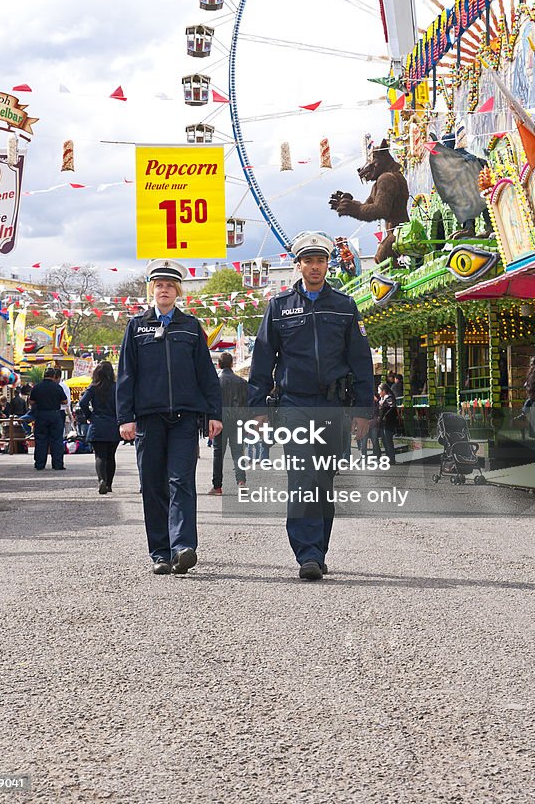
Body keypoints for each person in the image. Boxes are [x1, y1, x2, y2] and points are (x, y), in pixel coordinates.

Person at [248, 231, 373, 581]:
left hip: (334, 404)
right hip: (294, 404)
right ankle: (308, 554)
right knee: (302, 476)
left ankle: (318, 548)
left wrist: (364, 411)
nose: (315, 266)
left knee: (322, 479)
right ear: (298, 264)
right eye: (309, 261)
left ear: (327, 264)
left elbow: (361, 361)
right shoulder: (279, 306)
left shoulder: (345, 306)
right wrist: (258, 408)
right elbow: (262, 360)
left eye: (320, 261)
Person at [116, 259, 222, 576]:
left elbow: (207, 373)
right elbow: (126, 375)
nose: (164, 290)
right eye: (159, 285)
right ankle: (160, 553)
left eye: (169, 285)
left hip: (185, 419)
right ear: (152, 290)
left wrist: (213, 413)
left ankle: (183, 547)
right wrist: (125, 417)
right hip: (148, 419)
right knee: (153, 485)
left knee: (182, 482)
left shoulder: (190, 327)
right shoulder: (136, 327)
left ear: (178, 291)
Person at [209, 351, 248, 495]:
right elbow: (246, 405)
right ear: (232, 364)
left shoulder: (215, 382)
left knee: (218, 453)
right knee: (238, 452)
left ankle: (217, 486)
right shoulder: (242, 382)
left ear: (218, 365)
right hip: (238, 421)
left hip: (220, 420)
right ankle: (241, 481)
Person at [79, 361, 120, 495]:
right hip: (113, 424)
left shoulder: (93, 387)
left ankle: (101, 479)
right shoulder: (117, 387)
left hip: (97, 424)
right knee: (111, 456)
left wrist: (89, 415)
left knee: (100, 455)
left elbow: (82, 402)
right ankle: (109, 484)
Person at [29, 369, 68, 470]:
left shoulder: (37, 387)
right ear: (53, 376)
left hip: (41, 414)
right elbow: (64, 401)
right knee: (56, 439)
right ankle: (58, 464)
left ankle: (40, 464)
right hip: (55, 414)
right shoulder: (57, 387)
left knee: (41, 439)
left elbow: (32, 401)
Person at [377, 382, 398, 464]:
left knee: (388, 441)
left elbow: (392, 408)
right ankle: (387, 458)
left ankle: (391, 458)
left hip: (388, 423)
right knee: (384, 441)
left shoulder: (389, 398)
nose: (378, 392)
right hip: (382, 423)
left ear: (384, 390)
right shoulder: (382, 399)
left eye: (379, 390)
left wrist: (385, 416)